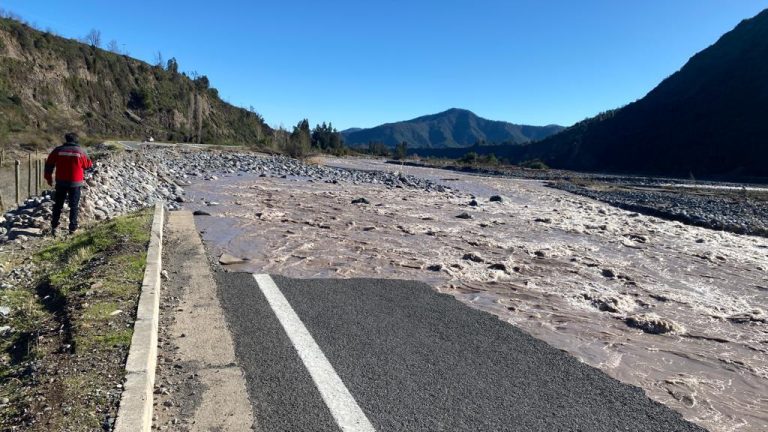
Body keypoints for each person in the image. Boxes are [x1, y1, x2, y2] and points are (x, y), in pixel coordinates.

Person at [44, 132, 93, 235]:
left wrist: (48, 178)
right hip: (75, 183)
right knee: (74, 206)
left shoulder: (58, 150)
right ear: (76, 140)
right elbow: (89, 166)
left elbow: (49, 164)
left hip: (61, 182)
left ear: (66, 140)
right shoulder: (81, 151)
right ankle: (72, 228)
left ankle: (54, 227)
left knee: (58, 205)